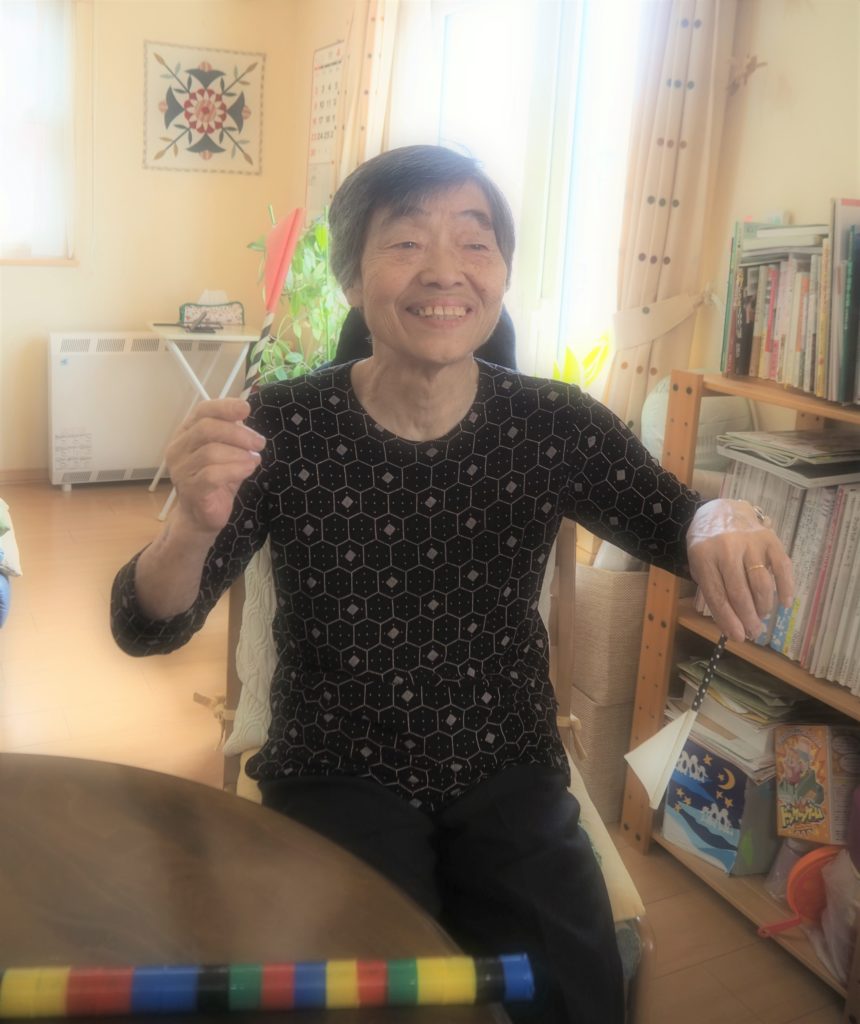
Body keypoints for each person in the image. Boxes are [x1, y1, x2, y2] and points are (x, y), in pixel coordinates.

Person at [111, 145, 793, 1023]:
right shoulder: (280, 426)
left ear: (501, 272)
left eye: (475, 242)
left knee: (576, 992)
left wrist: (725, 518)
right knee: (367, 996)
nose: (445, 270)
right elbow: (147, 626)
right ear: (352, 278)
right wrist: (190, 528)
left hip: (509, 763)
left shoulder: (554, 423)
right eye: (406, 243)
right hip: (334, 766)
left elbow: (680, 517)